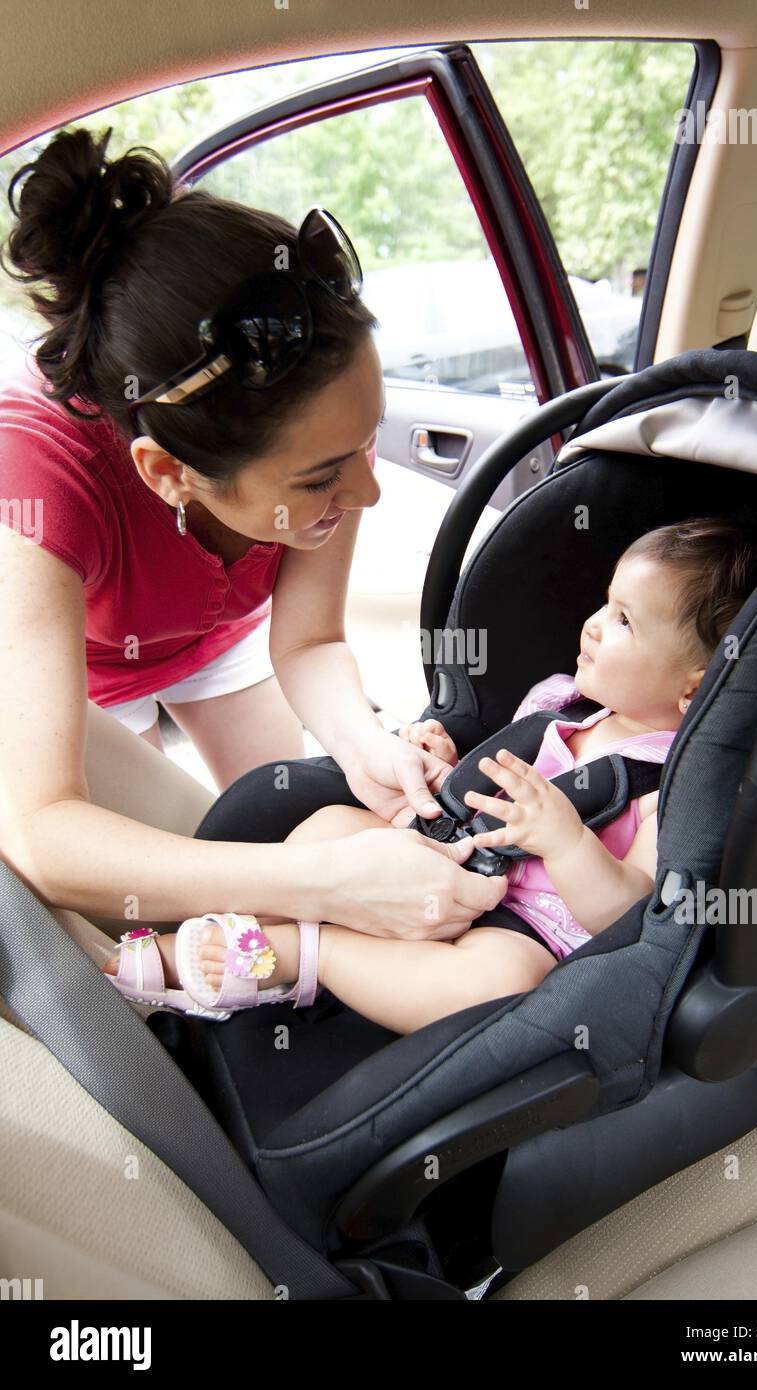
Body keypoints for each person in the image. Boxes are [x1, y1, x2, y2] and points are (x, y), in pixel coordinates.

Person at [0, 126, 506, 946]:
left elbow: (308, 644)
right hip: (81, 676)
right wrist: (324, 887)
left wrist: (363, 746)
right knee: (148, 897)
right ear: (168, 473)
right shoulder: (36, 480)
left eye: (365, 442)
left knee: (259, 822)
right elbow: (45, 832)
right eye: (319, 478)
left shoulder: (323, 433)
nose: (368, 491)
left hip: (217, 637)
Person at [104, 517, 757, 1033]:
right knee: (331, 824)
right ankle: (234, 919)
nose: (595, 626)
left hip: (526, 929)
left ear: (696, 690)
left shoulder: (674, 782)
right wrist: (446, 763)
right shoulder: (556, 704)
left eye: (625, 622)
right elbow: (489, 778)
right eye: (605, 603)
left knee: (503, 984)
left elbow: (628, 911)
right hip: (443, 854)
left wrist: (567, 842)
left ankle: (296, 956)